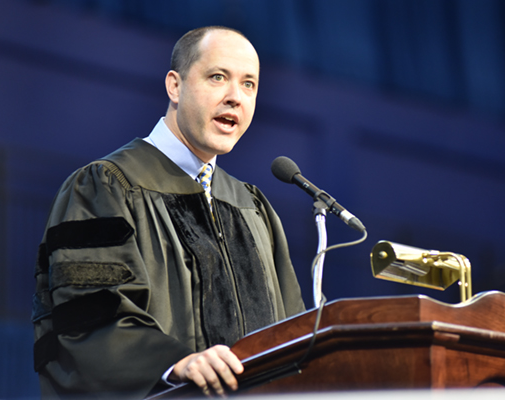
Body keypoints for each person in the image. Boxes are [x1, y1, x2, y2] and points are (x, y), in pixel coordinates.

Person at [32, 26, 305, 399]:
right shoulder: (105, 186)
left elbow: (290, 335)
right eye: (218, 77)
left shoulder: (252, 208)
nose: (234, 98)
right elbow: (87, 318)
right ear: (174, 86)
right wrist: (174, 363)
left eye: (249, 85)